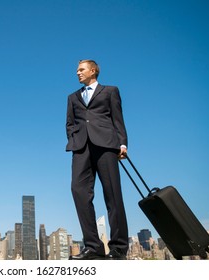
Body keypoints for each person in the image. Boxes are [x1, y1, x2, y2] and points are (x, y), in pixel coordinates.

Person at [66, 59, 129, 260]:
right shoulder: (73, 97)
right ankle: (93, 247)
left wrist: (122, 144)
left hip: (106, 145)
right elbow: (69, 123)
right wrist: (74, 138)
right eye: (77, 70)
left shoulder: (110, 91)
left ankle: (119, 247)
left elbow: (117, 119)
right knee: (78, 190)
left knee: (112, 194)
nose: (77, 73)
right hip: (81, 148)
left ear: (93, 71)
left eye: (81, 69)